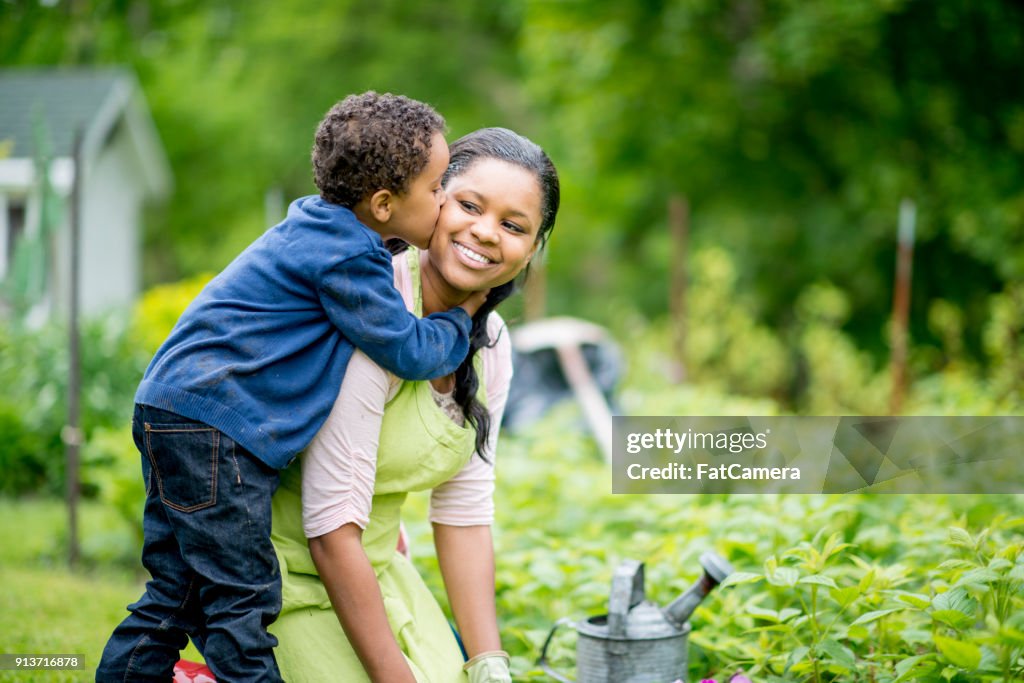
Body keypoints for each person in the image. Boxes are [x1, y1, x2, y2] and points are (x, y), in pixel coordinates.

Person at [97, 92, 489, 683]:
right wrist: (460, 322)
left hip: (176, 410)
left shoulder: (319, 226)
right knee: (242, 600)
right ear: (383, 204)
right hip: (215, 428)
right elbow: (407, 348)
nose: (443, 204)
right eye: (437, 189)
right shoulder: (348, 258)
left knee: (177, 592)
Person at [269, 127, 559, 682]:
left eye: (514, 225)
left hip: (376, 574)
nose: (485, 232)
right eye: (469, 205)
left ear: (531, 250)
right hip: (287, 577)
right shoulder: (375, 316)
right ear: (431, 200)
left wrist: (488, 660)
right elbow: (330, 529)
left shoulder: (490, 346)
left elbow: (465, 511)